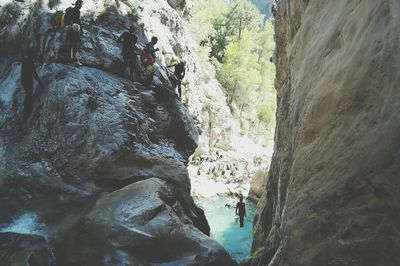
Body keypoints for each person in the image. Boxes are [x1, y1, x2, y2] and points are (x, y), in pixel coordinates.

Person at [21, 48, 43, 117]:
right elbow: (34, 73)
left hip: (24, 80)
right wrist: (40, 83)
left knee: (28, 95)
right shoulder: (30, 62)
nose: (35, 56)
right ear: (32, 55)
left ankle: (26, 111)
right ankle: (26, 112)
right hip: (28, 81)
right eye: (34, 54)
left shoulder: (25, 61)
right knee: (29, 95)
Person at [64, 0, 83, 64]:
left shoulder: (72, 10)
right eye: (80, 5)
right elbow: (78, 21)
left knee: (71, 45)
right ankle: (74, 60)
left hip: (72, 29)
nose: (81, 6)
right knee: (74, 45)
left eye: (81, 5)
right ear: (76, 4)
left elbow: (66, 20)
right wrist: (80, 30)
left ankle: (71, 60)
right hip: (74, 29)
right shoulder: (75, 11)